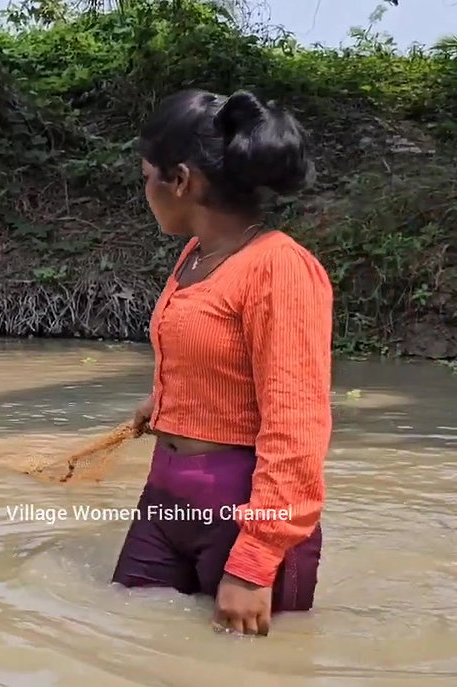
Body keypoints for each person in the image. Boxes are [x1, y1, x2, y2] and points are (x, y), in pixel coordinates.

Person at [111, 89, 332, 637]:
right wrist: (163, 401)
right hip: (166, 499)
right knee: (127, 641)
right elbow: (212, 360)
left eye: (147, 177)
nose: (146, 191)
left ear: (181, 180)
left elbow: (296, 426)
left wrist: (255, 561)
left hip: (245, 510)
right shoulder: (196, 255)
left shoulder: (280, 269)